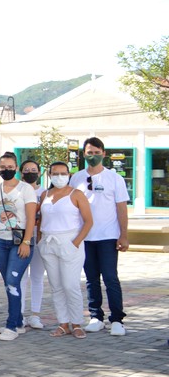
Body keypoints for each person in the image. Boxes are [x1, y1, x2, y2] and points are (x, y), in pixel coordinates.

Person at [70, 137, 130, 335]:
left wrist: (123, 235)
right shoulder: (76, 178)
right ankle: (96, 316)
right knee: (91, 279)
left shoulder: (114, 178)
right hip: (85, 238)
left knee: (111, 278)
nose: (93, 156)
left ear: (104, 154)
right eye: (89, 153)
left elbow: (121, 208)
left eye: (96, 153)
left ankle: (117, 320)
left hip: (108, 236)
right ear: (83, 154)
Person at [0, 152, 38, 341]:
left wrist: (26, 241)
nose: (6, 170)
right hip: (0, 241)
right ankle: (18, 321)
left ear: (16, 168)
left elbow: (32, 217)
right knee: (9, 284)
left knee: (12, 281)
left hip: (20, 240)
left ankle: (11, 326)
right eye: (2, 167)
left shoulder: (26, 189)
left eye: (10, 167)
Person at [39, 163, 94, 338]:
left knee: (70, 285)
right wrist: (40, 240)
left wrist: (76, 242)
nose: (59, 176)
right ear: (49, 175)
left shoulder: (76, 194)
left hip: (70, 241)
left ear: (69, 174)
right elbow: (41, 219)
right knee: (56, 286)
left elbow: (88, 221)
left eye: (63, 173)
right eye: (55, 173)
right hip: (49, 242)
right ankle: (63, 323)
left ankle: (77, 322)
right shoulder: (45, 195)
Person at [20, 159, 48, 329]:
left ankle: (35, 315)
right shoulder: (17, 190)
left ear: (39, 173)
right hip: (21, 239)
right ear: (21, 172)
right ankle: (20, 314)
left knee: (37, 277)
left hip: (39, 239)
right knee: (21, 278)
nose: (30, 172)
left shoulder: (46, 192)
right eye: (26, 169)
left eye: (33, 169)